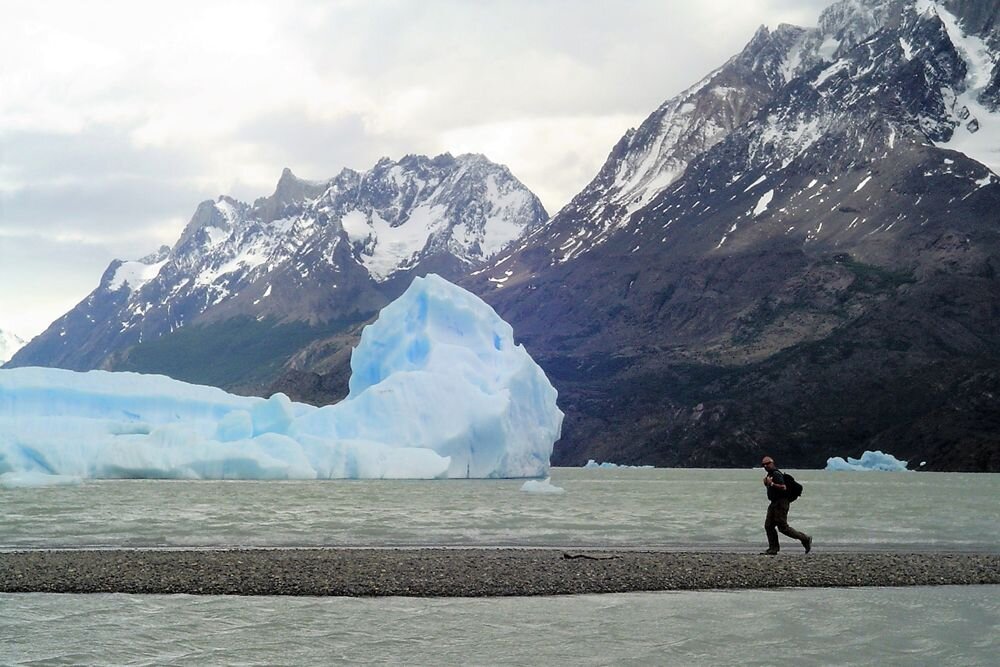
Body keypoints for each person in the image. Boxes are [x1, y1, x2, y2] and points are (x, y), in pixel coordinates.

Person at [760, 456, 812, 555]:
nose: (765, 466)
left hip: (781, 502)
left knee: (783, 527)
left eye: (767, 463)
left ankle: (805, 538)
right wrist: (767, 484)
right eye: (763, 465)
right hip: (774, 502)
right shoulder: (770, 474)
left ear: (772, 463)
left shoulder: (776, 474)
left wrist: (771, 484)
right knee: (769, 526)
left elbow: (783, 487)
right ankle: (773, 548)